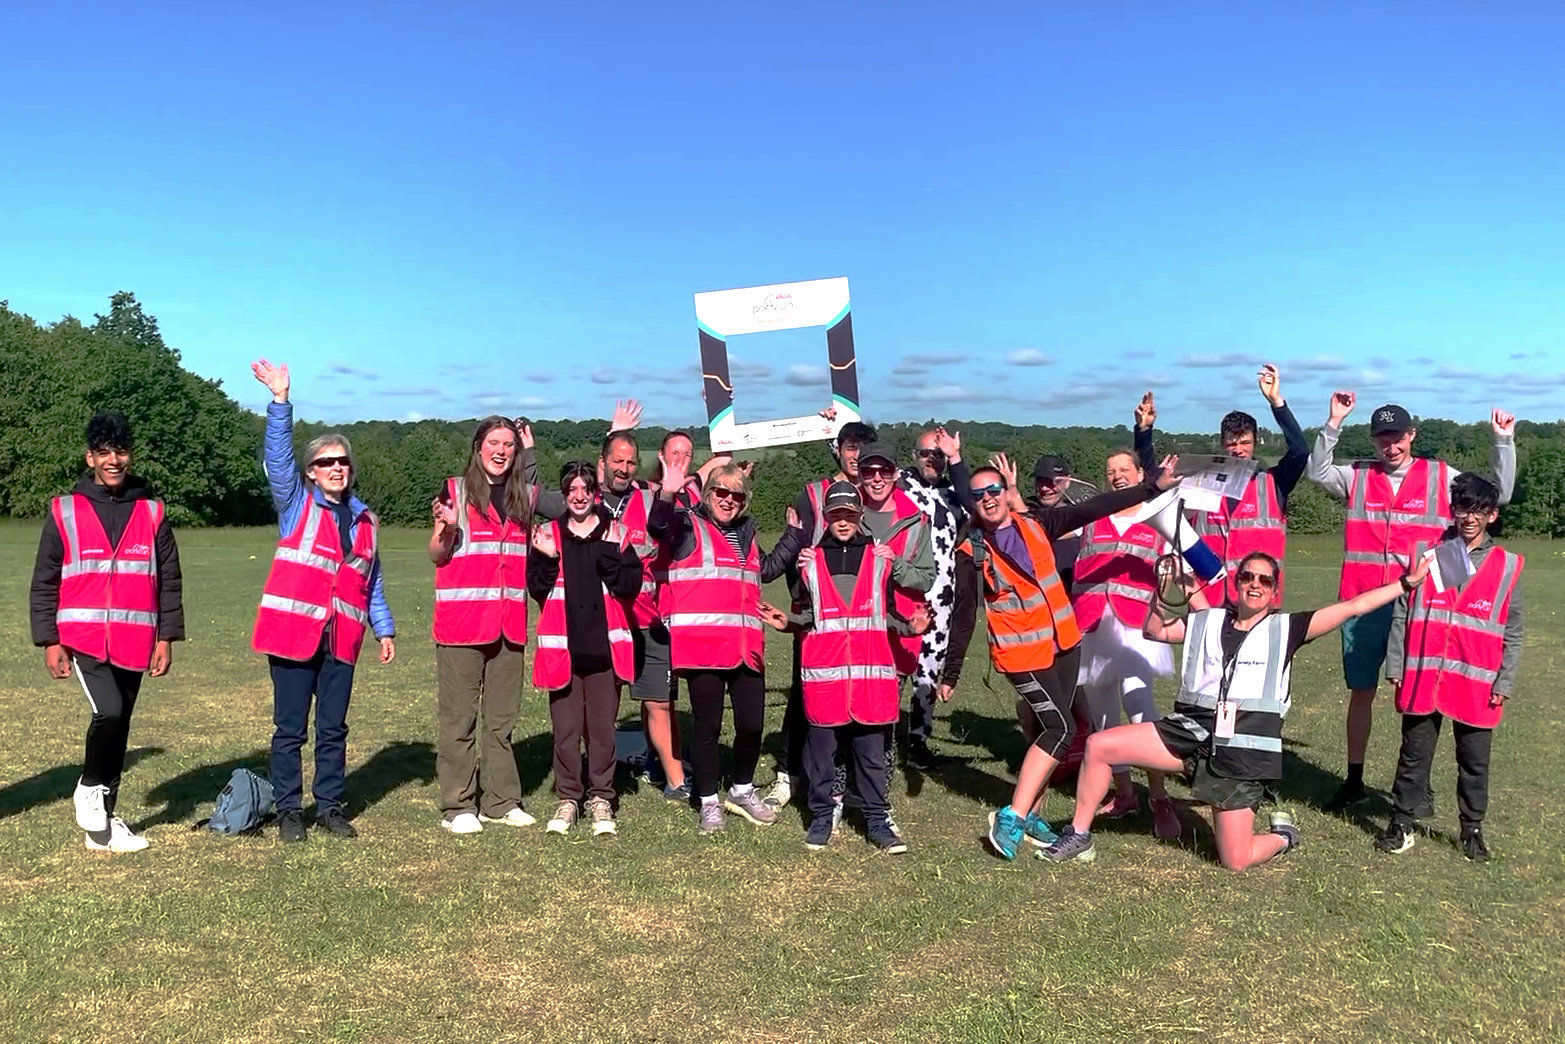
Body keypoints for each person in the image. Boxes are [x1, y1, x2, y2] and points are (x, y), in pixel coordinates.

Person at [1043, 549, 1431, 871]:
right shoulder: (1209, 620)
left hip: (1242, 751)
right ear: (1237, 582)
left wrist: (1404, 585)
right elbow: (1156, 631)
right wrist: (1161, 595)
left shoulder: (1288, 628)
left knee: (1235, 860)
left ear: (1274, 591)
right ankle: (1079, 835)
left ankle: (1283, 836)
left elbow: (1354, 606)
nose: (1255, 585)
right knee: (1099, 745)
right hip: (1191, 732)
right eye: (1248, 577)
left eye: (1264, 580)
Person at [961, 452, 1179, 861]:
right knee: (1059, 728)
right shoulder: (971, 548)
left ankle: (1031, 816)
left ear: (1008, 494)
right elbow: (961, 614)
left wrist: (1153, 487)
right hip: (1019, 653)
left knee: (1056, 734)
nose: (988, 498)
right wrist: (952, 670)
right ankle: (1012, 814)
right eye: (979, 494)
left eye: (995, 489)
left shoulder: (1040, 524)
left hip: (1063, 643)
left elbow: (1098, 505)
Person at [1307, 394, 1516, 811]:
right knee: (1361, 692)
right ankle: (1354, 780)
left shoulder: (1441, 475)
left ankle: (1417, 785)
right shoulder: (1358, 475)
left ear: (1412, 435)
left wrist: (1503, 442)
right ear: (1373, 440)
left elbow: (1500, 495)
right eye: (1383, 438)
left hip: (1425, 603)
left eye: (1398, 437)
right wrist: (1333, 422)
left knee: (1424, 695)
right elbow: (1317, 472)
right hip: (1363, 601)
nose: (1392, 446)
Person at [250, 359, 395, 843]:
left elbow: (370, 580)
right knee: (290, 730)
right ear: (310, 472)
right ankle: (290, 810)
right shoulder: (295, 505)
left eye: (343, 461)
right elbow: (276, 460)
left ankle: (330, 807)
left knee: (333, 729)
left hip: (343, 639)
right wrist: (280, 401)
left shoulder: (365, 521)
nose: (336, 468)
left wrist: (385, 627)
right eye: (325, 462)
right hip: (293, 637)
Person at [31, 412, 184, 853]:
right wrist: (49, 640)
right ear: (90, 457)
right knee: (111, 711)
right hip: (82, 639)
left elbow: (169, 580)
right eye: (104, 452)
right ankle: (89, 787)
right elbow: (45, 579)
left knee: (120, 726)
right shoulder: (65, 510)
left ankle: (103, 828)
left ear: (129, 455)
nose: (113, 460)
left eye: (120, 451)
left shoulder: (152, 511)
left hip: (137, 639)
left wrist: (166, 637)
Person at [759, 482, 930, 853]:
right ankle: (821, 816)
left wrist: (909, 626)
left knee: (870, 756)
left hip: (871, 680)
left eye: (849, 515)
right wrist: (787, 622)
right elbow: (810, 615)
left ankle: (876, 820)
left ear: (860, 517)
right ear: (827, 517)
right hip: (825, 677)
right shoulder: (810, 562)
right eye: (835, 515)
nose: (842, 522)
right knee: (821, 756)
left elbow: (885, 613)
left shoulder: (882, 559)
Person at [650, 458, 807, 833]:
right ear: (708, 494)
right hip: (702, 648)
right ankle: (707, 801)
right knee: (707, 728)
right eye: (721, 492)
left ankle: (740, 789)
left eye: (737, 494)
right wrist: (668, 492)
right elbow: (657, 526)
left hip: (744, 647)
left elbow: (765, 570)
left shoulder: (747, 533)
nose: (729, 499)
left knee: (752, 725)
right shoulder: (688, 525)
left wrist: (793, 535)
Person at [1376, 474, 1523, 862]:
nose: (1468, 517)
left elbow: (1514, 631)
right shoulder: (1429, 552)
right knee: (1413, 755)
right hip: (1424, 672)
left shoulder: (1508, 565)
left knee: (1474, 763)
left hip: (1477, 682)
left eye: (1477, 510)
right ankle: (1402, 823)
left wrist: (1504, 681)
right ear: (1453, 510)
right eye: (1462, 508)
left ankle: (1471, 830)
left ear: (1492, 515)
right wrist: (1396, 663)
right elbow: (1403, 610)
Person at [428, 415, 560, 835]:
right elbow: (436, 554)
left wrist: (534, 451)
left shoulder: (524, 494)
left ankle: (501, 802)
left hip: (508, 626)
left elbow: (571, 502)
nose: (501, 451)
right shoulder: (454, 490)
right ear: (478, 447)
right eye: (494, 443)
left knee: (501, 721)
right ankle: (458, 805)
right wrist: (446, 532)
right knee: (459, 720)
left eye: (509, 444)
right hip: (462, 624)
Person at [763, 420, 877, 814]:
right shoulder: (813, 494)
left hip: (862, 623)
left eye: (864, 448)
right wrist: (802, 603)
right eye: (850, 447)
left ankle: (849, 782)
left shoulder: (875, 495)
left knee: (858, 699)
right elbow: (797, 545)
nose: (856, 455)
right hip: (816, 616)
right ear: (838, 450)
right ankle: (789, 775)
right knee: (805, 696)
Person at [528, 462, 643, 837]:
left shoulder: (618, 533)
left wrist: (609, 555)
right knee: (565, 730)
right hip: (563, 650)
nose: (578, 496)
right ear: (564, 495)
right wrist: (545, 557)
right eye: (571, 490)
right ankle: (568, 798)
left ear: (595, 493)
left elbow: (629, 585)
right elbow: (537, 589)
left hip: (605, 651)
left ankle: (601, 798)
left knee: (601, 731)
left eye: (585, 489)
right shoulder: (547, 534)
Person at [1069, 449, 1179, 838]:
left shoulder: (1160, 516)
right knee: (1102, 721)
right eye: (1110, 471)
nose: (1117, 476)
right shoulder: (1093, 518)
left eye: (1123, 469)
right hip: (1094, 624)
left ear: (1138, 474)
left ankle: (1160, 798)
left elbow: (1173, 574)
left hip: (1137, 628)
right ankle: (1126, 794)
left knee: (1141, 711)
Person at [1133, 367, 1309, 604]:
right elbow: (1154, 481)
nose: (1238, 449)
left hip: (1260, 601)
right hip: (1210, 599)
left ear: (1256, 442)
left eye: (1245, 442)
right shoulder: (1199, 482)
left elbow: (1300, 451)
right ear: (1221, 444)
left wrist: (1276, 401)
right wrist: (1144, 432)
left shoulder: (1273, 482)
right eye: (1231, 444)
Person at [597, 430, 689, 802]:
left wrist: (668, 493)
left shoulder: (650, 498)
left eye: (631, 462)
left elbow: (665, 528)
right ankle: (601, 781)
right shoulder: (585, 499)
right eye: (617, 461)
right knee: (604, 704)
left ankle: (677, 781)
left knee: (659, 703)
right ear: (602, 462)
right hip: (603, 623)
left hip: (648, 621)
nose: (624, 468)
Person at [895, 427, 973, 769]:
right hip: (902, 591)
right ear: (914, 456)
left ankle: (918, 741)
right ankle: (879, 736)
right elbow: (860, 466)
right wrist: (834, 430)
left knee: (928, 672)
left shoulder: (957, 495)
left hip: (941, 596)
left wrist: (956, 457)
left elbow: (974, 504)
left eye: (938, 455)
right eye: (926, 453)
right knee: (893, 665)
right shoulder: (900, 483)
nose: (932, 460)